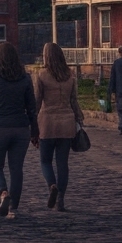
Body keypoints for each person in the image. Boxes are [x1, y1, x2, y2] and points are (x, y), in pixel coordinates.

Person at [0, 42, 38, 220]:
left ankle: (3, 192)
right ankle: (14, 206)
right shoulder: (25, 78)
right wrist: (35, 132)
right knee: (16, 168)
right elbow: (32, 108)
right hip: (21, 127)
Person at [36, 43, 84, 212]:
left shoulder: (42, 75)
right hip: (67, 122)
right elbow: (74, 100)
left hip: (47, 122)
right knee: (62, 163)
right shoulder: (69, 75)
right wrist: (79, 119)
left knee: (45, 161)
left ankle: (52, 185)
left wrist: (32, 125)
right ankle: (61, 198)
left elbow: (37, 101)